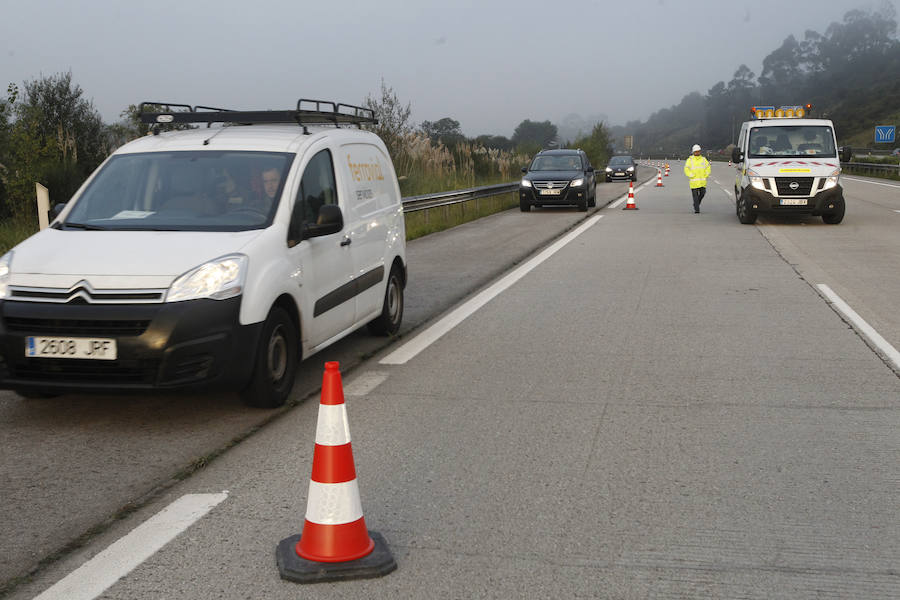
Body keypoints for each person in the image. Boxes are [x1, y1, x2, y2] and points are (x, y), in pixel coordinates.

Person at [683, 144, 711, 214]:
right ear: (693, 152)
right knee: (695, 196)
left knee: (703, 193)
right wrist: (691, 175)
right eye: (696, 151)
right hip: (694, 182)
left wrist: (706, 174)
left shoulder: (703, 159)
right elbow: (686, 169)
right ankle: (697, 209)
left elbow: (708, 167)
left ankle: (696, 204)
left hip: (702, 182)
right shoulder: (690, 160)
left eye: (698, 151)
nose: (697, 152)